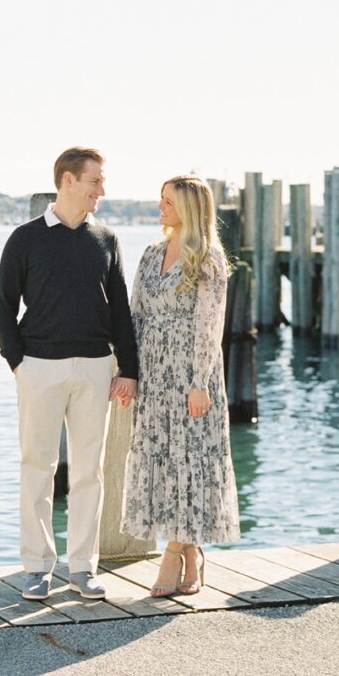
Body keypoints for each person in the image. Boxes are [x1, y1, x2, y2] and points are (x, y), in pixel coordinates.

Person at [0, 147, 139, 600]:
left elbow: (121, 311)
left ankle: (83, 568)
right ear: (68, 181)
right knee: (37, 467)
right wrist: (18, 362)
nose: (102, 190)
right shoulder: (25, 239)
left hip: (96, 367)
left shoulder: (106, 239)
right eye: (95, 181)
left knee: (89, 472)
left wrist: (129, 368)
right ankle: (37, 567)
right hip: (39, 367)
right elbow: (3, 305)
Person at [122, 175, 239, 596]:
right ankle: (191, 553)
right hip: (154, 374)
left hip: (190, 374)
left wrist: (199, 381)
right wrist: (129, 370)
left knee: (189, 459)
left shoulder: (207, 257)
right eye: (160, 199)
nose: (160, 207)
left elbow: (211, 325)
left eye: (168, 201)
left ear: (188, 208)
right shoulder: (152, 253)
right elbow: (135, 314)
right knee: (163, 458)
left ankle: (174, 554)